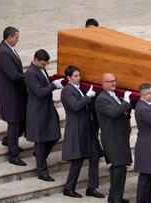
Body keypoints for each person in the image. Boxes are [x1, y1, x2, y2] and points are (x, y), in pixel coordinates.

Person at [61, 65, 105, 198]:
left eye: (79, 75)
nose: (78, 78)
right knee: (77, 160)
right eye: (75, 76)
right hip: (76, 128)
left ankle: (92, 188)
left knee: (94, 156)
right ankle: (69, 188)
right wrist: (88, 96)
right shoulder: (67, 91)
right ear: (68, 78)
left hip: (87, 128)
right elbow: (75, 106)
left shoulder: (79, 89)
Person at [24, 49, 63, 181]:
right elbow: (39, 92)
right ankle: (42, 171)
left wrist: (54, 81)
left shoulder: (40, 69)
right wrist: (53, 85)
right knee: (40, 141)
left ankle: (39, 156)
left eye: (45, 64)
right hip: (37, 110)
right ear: (35, 60)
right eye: (42, 64)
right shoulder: (30, 73)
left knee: (54, 135)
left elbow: (44, 82)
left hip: (47, 108)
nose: (44, 66)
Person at [95, 73, 132, 203]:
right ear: (103, 84)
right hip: (112, 138)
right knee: (118, 167)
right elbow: (114, 113)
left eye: (114, 81)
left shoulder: (116, 96)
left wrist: (127, 105)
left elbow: (123, 113)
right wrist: (126, 102)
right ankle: (115, 198)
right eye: (109, 81)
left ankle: (116, 197)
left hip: (121, 137)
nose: (113, 83)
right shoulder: (101, 99)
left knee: (121, 168)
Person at [0, 26, 27, 166]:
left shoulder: (8, 49)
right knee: (14, 122)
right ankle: (13, 155)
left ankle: (9, 140)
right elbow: (13, 75)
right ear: (9, 37)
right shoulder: (3, 52)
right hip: (9, 93)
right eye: (16, 37)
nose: (17, 40)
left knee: (22, 119)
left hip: (16, 92)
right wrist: (28, 76)